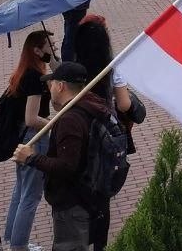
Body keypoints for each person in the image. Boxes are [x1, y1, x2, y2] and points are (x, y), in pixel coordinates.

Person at [13, 61, 114, 251]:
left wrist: (31, 158)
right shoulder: (93, 103)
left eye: (51, 83)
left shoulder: (70, 119)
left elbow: (67, 167)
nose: (49, 88)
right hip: (94, 195)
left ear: (60, 86)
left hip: (73, 204)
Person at [70, 15, 135, 251]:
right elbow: (125, 104)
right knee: (100, 194)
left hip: (77, 130)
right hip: (103, 136)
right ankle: (99, 244)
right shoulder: (112, 66)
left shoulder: (73, 67)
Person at [3, 30, 53, 251]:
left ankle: (12, 238)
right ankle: (19, 246)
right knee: (31, 196)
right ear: (36, 50)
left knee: (21, 190)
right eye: (50, 45)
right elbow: (31, 118)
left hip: (22, 137)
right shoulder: (34, 77)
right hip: (35, 138)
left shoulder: (25, 72)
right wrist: (54, 124)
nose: (54, 48)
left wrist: (52, 61)